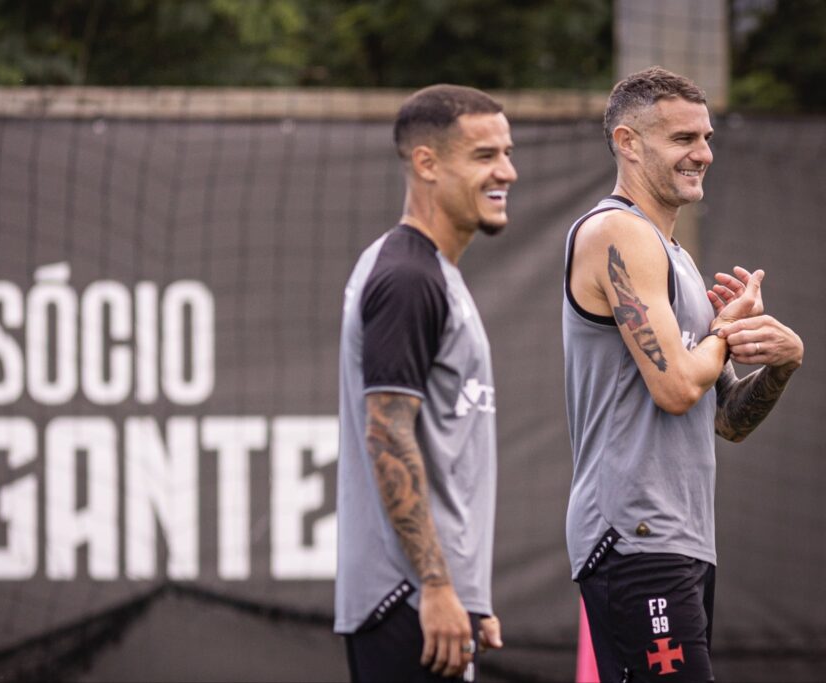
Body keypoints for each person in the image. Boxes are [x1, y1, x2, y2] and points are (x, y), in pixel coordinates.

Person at [563, 66, 804, 681]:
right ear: (627, 142)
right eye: (683, 139)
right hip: (634, 534)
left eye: (706, 138)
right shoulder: (617, 232)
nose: (703, 154)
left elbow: (726, 420)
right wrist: (724, 334)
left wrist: (781, 363)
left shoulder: (678, 260)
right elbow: (675, 388)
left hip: (681, 537)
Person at [334, 84, 514, 682]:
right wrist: (436, 586)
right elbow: (387, 434)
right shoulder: (409, 279)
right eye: (485, 155)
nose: (506, 171)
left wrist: (467, 593)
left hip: (434, 600)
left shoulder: (435, 271)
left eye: (507, 153)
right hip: (408, 602)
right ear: (427, 163)